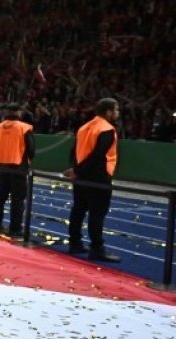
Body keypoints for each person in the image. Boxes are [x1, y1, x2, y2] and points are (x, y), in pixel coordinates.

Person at [63, 98, 121, 262]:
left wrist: (76, 170)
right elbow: (98, 155)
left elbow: (74, 151)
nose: (117, 114)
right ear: (108, 112)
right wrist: (77, 170)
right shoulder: (107, 129)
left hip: (81, 178)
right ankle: (97, 248)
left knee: (78, 209)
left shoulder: (84, 127)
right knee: (97, 214)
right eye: (116, 110)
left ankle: (75, 243)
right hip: (98, 177)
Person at [0, 103, 34, 237]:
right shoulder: (25, 127)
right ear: (19, 112)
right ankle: (15, 229)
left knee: (0, 198)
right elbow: (31, 150)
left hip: (2, 167)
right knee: (17, 200)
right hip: (18, 168)